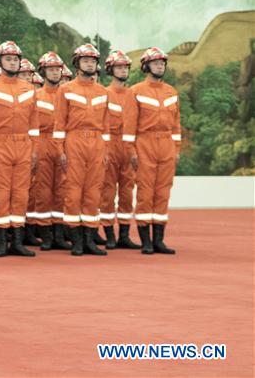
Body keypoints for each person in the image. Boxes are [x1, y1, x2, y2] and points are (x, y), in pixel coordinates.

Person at [0, 41, 38, 257]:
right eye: (8, 59)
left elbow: (34, 124)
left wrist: (34, 150)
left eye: (15, 59)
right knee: (1, 192)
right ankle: (2, 242)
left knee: (21, 192)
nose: (12, 62)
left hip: (24, 144)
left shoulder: (29, 89)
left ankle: (18, 242)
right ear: (0, 62)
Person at [123, 47, 182, 255]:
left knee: (163, 192)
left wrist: (176, 149)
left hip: (166, 144)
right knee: (146, 192)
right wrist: (131, 150)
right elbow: (129, 125)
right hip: (145, 144)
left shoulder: (172, 92)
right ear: (146, 66)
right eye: (156, 63)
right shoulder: (136, 91)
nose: (160, 66)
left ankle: (159, 241)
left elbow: (176, 126)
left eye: (162, 63)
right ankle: (146, 241)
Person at [53, 43, 109, 257]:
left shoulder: (102, 92)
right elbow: (59, 123)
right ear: (77, 64)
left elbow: (106, 126)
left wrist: (105, 150)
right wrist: (61, 150)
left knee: (93, 191)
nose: (90, 63)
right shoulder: (66, 90)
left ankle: (89, 241)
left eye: (93, 61)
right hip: (74, 140)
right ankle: (76, 241)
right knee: (73, 191)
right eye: (86, 60)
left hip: (96, 143)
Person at [99, 50, 141, 250]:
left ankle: (124, 234)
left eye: (125, 67)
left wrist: (134, 151)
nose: (123, 70)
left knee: (127, 192)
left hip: (129, 147)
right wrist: (104, 150)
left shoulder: (134, 95)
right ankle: (108, 234)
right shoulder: (104, 94)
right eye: (119, 67)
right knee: (107, 192)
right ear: (110, 70)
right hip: (111, 146)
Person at [31, 52, 70, 250]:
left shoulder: (67, 94)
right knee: (43, 190)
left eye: (57, 69)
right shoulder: (36, 96)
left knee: (62, 190)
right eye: (51, 69)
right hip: (43, 143)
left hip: (63, 143)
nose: (55, 73)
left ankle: (59, 235)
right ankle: (46, 235)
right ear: (43, 71)